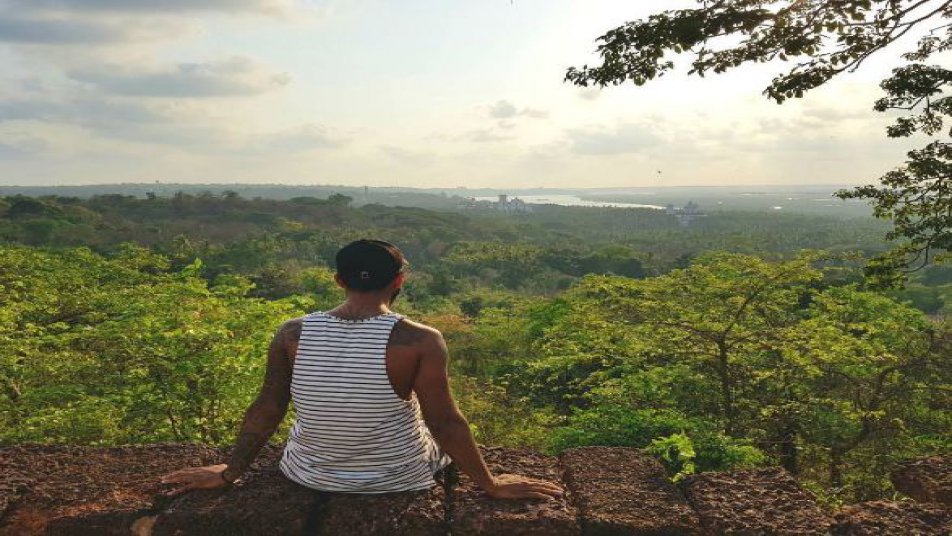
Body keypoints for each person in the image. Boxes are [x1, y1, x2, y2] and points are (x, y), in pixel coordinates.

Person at [161, 239, 562, 501]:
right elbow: (445, 422)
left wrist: (231, 471)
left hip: (308, 473)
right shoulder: (419, 340)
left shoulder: (293, 333)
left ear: (338, 280)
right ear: (400, 281)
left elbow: (267, 407)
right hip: (399, 476)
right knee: (423, 421)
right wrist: (490, 484)